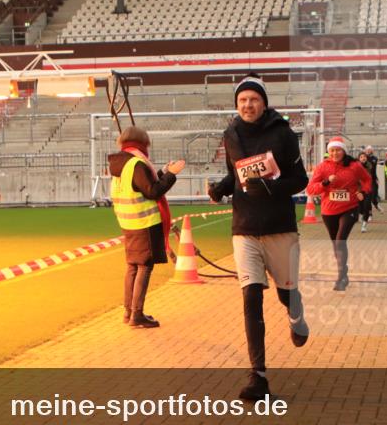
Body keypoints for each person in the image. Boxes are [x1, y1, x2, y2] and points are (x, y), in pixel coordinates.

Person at [207, 74, 310, 401]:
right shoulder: (231, 134)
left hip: (279, 226)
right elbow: (235, 173)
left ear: (264, 103)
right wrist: (221, 188)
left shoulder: (282, 133)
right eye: (242, 100)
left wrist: (270, 187)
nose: (248, 105)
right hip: (245, 228)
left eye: (253, 99)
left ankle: (296, 316)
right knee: (251, 297)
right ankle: (258, 377)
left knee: (287, 293)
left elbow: (300, 179)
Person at [108, 126, 184, 328]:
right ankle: (137, 314)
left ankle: (128, 312)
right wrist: (172, 175)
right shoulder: (137, 163)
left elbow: (141, 185)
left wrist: (162, 172)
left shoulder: (122, 163)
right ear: (143, 143)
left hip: (129, 223)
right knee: (144, 266)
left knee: (133, 266)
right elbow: (152, 191)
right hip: (145, 223)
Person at [307, 137, 372, 290]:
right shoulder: (322, 167)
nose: (335, 153)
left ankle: (341, 277)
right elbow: (310, 189)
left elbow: (367, 180)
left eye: (338, 150)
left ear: (344, 151)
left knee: (340, 241)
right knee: (336, 244)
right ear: (328, 151)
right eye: (332, 150)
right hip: (329, 210)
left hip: (349, 208)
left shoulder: (354, 166)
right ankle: (343, 271)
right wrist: (325, 182)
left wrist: (363, 192)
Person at [357, 151, 375, 232]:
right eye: (361, 157)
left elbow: (372, 176)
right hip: (359, 189)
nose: (363, 158)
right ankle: (361, 214)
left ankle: (364, 225)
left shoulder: (370, 166)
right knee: (360, 206)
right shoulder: (356, 167)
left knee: (366, 206)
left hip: (368, 189)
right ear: (359, 159)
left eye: (364, 157)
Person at [363, 145, 383, 214]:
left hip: (373, 179)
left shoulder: (375, 158)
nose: (368, 151)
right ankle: (370, 213)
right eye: (367, 150)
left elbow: (374, 170)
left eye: (370, 150)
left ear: (372, 150)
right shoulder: (364, 158)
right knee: (368, 197)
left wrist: (376, 178)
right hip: (365, 180)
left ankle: (376, 204)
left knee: (374, 195)